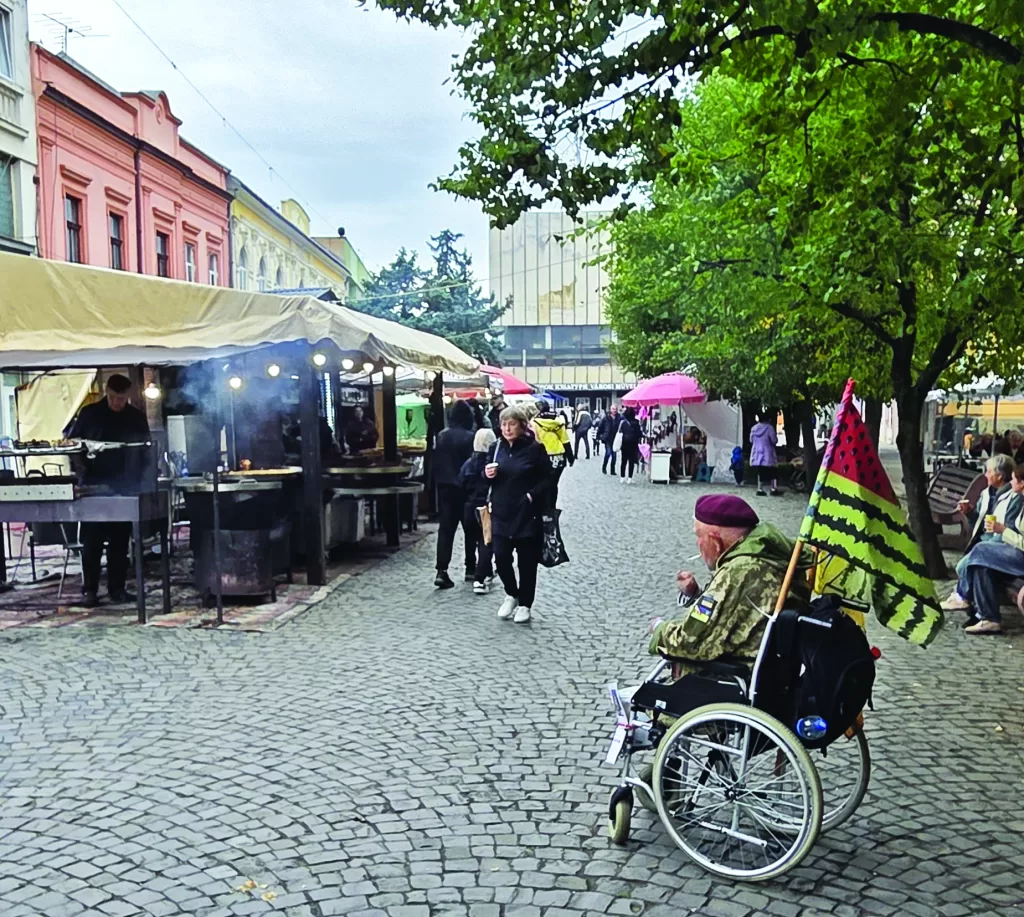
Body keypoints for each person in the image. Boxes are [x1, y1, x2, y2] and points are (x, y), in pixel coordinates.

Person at [648, 494, 811, 670]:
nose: (698, 544)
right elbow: (730, 611)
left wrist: (659, 629)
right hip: (767, 667)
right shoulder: (768, 555)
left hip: (734, 673)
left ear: (715, 541)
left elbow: (691, 641)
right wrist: (696, 594)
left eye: (698, 536)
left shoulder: (739, 570)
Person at [67, 374, 151, 608]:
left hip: (124, 486)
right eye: (113, 398)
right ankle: (90, 590)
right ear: (107, 392)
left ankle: (117, 588)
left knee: (120, 542)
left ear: (129, 396)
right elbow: (73, 445)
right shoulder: (90, 414)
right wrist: (81, 468)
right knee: (91, 542)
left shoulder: (136, 418)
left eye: (121, 399)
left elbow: (146, 450)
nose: (117, 403)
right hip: (93, 485)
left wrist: (141, 479)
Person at [484, 405, 551, 624]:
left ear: (522, 426)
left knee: (526, 563)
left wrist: (532, 496)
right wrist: (487, 474)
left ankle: (525, 604)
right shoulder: (496, 448)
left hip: (526, 514)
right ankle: (511, 593)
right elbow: (483, 477)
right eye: (504, 424)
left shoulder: (535, 449)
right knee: (501, 557)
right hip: (501, 512)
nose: (507, 428)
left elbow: (548, 480)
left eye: (512, 424)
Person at [947, 464, 1024, 635]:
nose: (1011, 482)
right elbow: (981, 524)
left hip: (1019, 555)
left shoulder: (1016, 500)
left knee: (981, 550)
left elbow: (1017, 538)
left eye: (1013, 479)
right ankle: (989, 619)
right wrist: (970, 513)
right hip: (1011, 550)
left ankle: (962, 596)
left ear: (1022, 483)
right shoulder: (993, 494)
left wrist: (1003, 530)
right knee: (982, 567)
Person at [432, 400, 477, 588]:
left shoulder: (441, 436)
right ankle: (470, 569)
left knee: (446, 530)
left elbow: (434, 463)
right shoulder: (470, 437)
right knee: (470, 530)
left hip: (445, 488)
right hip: (465, 489)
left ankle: (442, 570)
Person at [458, 428, 497, 594]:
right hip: (484, 507)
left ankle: (469, 568)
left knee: (470, 538)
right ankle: (482, 573)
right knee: (485, 541)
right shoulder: (492, 465)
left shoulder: (468, 463)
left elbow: (460, 483)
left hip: (469, 506)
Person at [531, 399, 574, 508]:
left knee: (542, 482)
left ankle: (544, 507)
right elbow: (565, 440)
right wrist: (570, 457)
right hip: (559, 455)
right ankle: (552, 508)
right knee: (553, 483)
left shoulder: (534, 423)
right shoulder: (558, 421)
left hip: (543, 455)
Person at [750, 411, 780, 496]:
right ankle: (773, 489)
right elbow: (774, 440)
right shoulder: (769, 428)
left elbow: (751, 440)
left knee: (760, 472)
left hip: (757, 453)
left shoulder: (754, 428)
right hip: (768, 452)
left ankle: (760, 488)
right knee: (773, 471)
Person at [616, 406, 643, 484]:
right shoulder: (636, 422)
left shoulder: (623, 422)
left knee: (623, 461)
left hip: (624, 443)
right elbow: (639, 434)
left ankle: (622, 477)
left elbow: (620, 432)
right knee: (631, 461)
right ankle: (630, 478)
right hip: (633, 444)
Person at [597, 404, 619, 475]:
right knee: (608, 453)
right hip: (607, 438)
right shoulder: (606, 418)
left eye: (615, 409)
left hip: (615, 439)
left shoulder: (619, 418)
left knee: (614, 456)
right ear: (610, 409)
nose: (614, 410)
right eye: (613, 409)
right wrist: (599, 436)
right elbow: (600, 427)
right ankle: (604, 467)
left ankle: (612, 470)